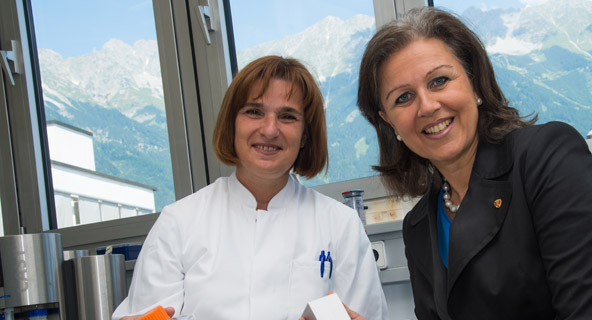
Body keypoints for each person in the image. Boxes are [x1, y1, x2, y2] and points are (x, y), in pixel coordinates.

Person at [357, 7, 592, 319]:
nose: (427, 106)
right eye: (403, 98)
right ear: (389, 122)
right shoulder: (419, 226)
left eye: (439, 81)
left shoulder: (548, 158)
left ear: (475, 83)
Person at [113, 56, 388, 320]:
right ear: (232, 124)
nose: (269, 130)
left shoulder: (340, 226)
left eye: (288, 116)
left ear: (305, 135)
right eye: (254, 112)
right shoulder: (179, 223)